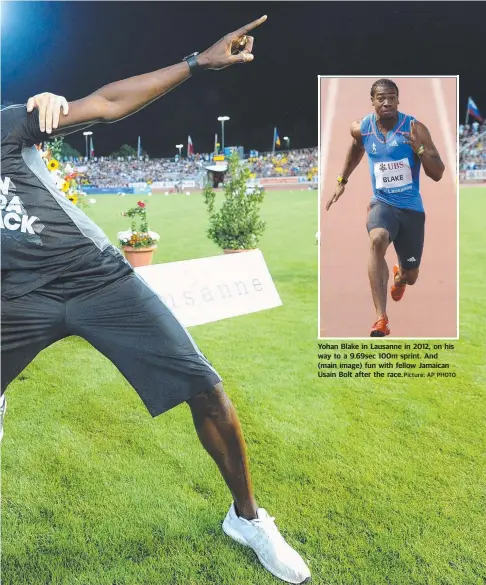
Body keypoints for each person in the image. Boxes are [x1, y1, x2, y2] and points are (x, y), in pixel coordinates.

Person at [0, 16, 311, 585]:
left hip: (93, 278)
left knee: (206, 387)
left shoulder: (8, 126)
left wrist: (198, 62)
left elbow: (108, 102)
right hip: (15, 300)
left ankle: (247, 518)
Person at [325, 78, 445, 337]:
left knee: (411, 275)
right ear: (373, 101)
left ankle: (399, 278)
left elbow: (438, 173)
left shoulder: (415, 128)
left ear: (398, 100)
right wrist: (341, 181)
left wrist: (420, 149)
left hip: (411, 210)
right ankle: (381, 318)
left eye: (391, 97)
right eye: (381, 98)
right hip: (382, 203)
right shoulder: (363, 129)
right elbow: (356, 150)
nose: (387, 102)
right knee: (377, 239)